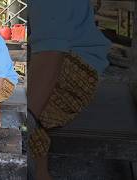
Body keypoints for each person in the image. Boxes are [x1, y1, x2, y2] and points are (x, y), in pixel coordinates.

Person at [28, 0, 111, 179]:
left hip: (77, 66)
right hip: (65, 56)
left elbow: (50, 55)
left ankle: (39, 174)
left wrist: (29, 117)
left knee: (22, 120)